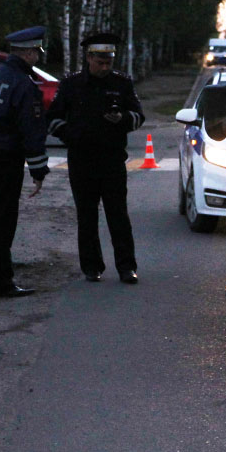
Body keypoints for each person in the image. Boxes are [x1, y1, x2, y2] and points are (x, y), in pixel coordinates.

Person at [46, 32, 146, 285]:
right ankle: (91, 267)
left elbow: (138, 115)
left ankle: (126, 267)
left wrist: (122, 119)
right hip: (81, 160)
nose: (104, 67)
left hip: (112, 159)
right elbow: (53, 119)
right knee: (86, 216)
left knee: (118, 215)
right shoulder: (71, 84)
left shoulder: (122, 83)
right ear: (89, 58)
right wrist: (72, 135)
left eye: (108, 62)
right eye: (100, 62)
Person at [0, 27, 50, 298]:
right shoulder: (23, 85)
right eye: (37, 51)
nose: (38, 56)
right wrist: (38, 170)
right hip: (4, 159)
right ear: (27, 53)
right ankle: (0, 281)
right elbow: (31, 131)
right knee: (2, 220)